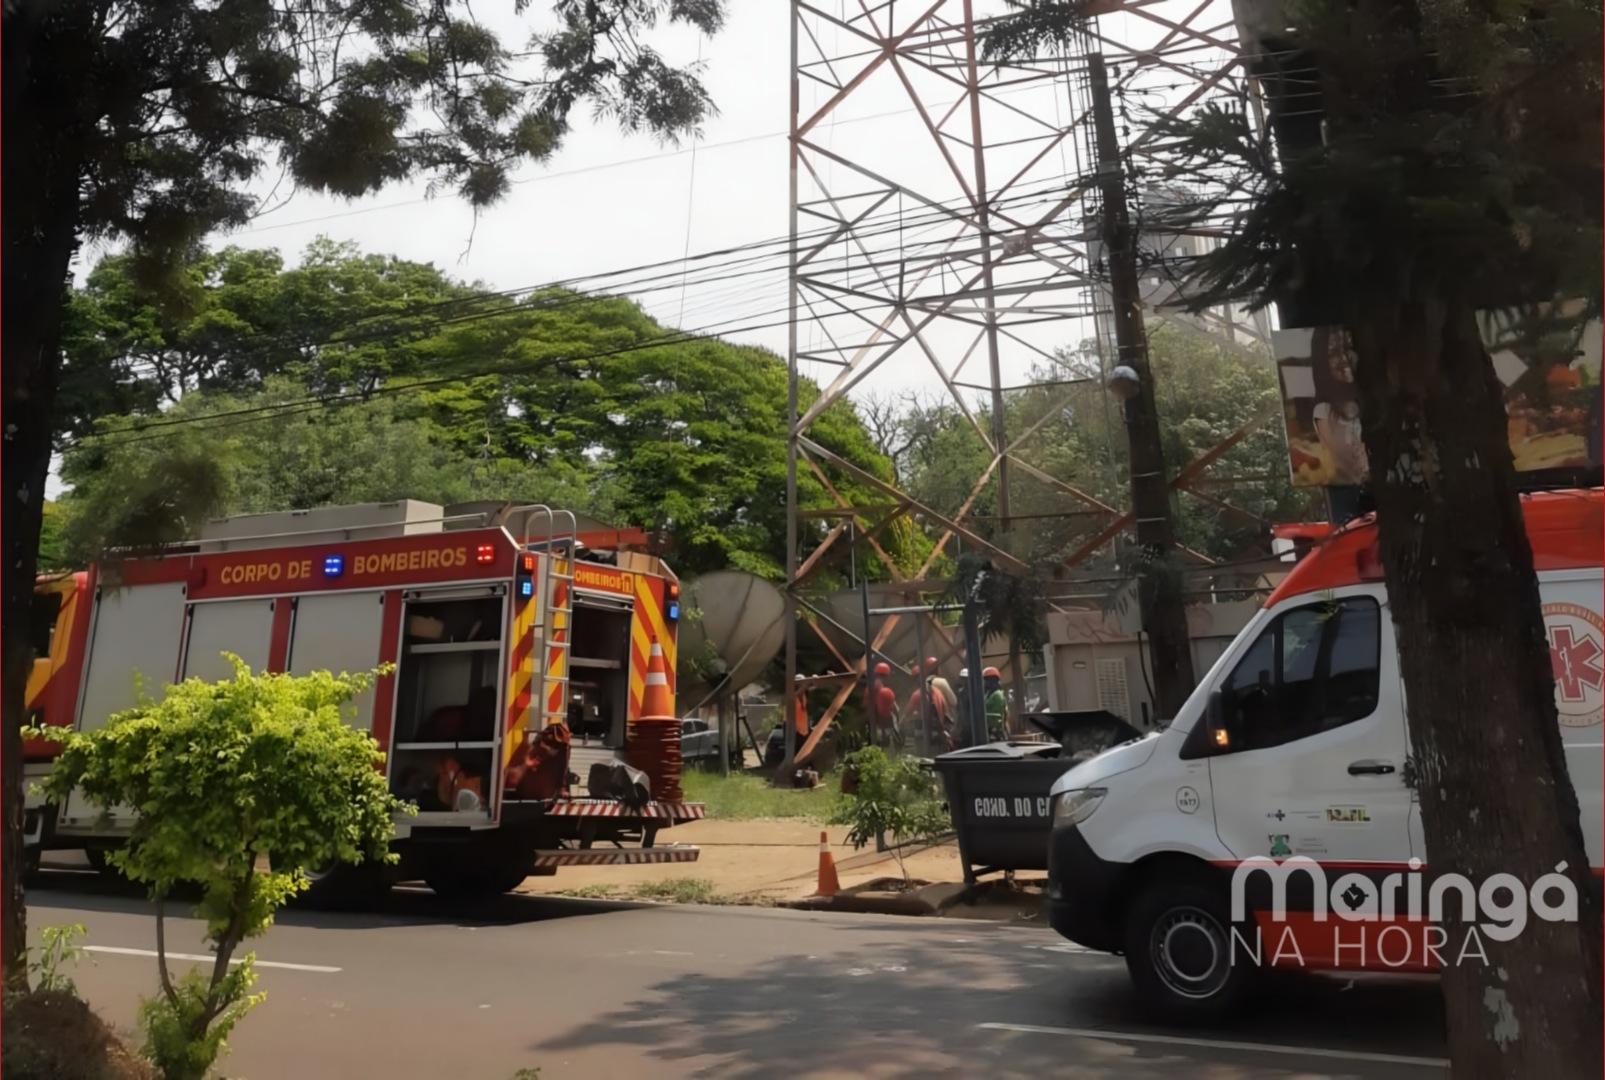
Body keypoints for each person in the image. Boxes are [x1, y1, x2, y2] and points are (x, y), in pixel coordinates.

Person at [869, 661, 901, 748]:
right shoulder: (886, 692)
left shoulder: (868, 690)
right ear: (887, 676)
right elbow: (896, 710)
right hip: (886, 730)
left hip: (873, 729)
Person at [982, 666, 1009, 742]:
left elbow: (996, 716)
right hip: (989, 730)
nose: (984, 683)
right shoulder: (989, 694)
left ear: (992, 681)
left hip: (996, 733)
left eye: (986, 680)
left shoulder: (997, 695)